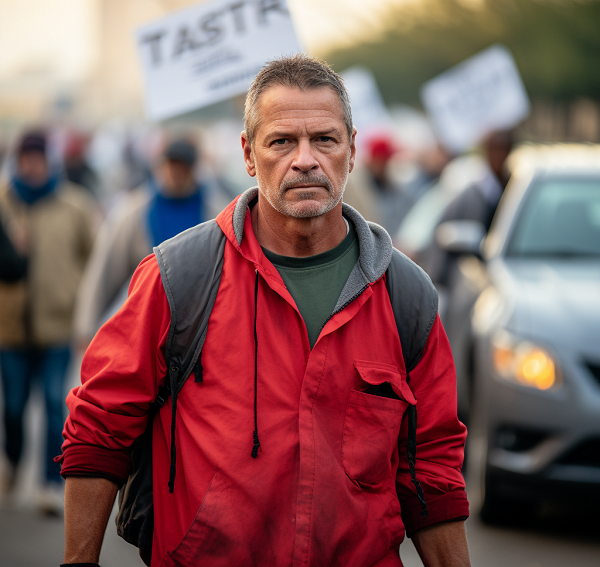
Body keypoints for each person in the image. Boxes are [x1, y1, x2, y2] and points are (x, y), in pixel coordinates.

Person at [59, 56, 470, 567]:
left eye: (325, 139)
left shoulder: (406, 296)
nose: (305, 159)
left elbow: (431, 467)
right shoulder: (179, 276)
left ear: (352, 149)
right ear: (249, 155)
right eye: (281, 142)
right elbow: (100, 426)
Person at [0, 130, 96, 513]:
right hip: (9, 326)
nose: (32, 165)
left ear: (48, 160)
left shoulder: (74, 204)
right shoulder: (4, 204)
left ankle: (49, 484)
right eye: (26, 158)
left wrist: (85, 316)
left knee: (56, 402)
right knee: (14, 406)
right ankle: (12, 458)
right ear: (19, 161)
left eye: (38, 158)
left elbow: (93, 259)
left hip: (58, 323)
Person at [73, 137, 230, 348]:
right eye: (170, 166)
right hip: (147, 322)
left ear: (193, 171)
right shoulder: (135, 211)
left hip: (200, 326)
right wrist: (87, 325)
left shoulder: (215, 212)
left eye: (181, 168)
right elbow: (106, 269)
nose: (174, 173)